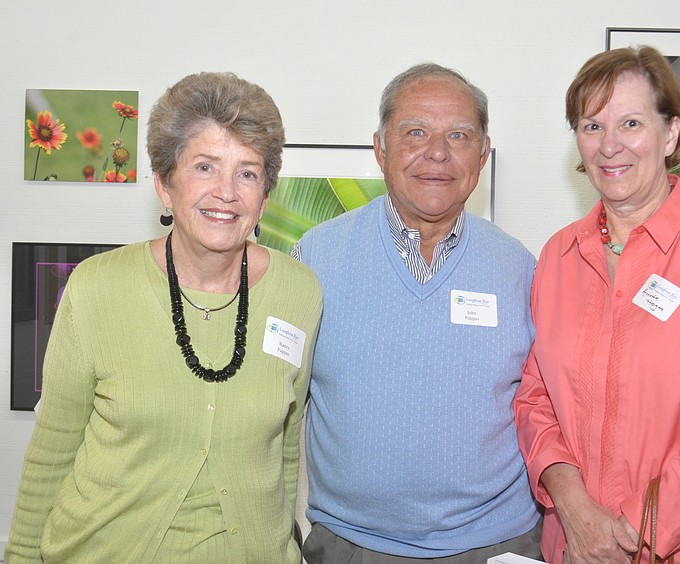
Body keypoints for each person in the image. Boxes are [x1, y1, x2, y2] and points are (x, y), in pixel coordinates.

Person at [5, 72, 322, 563]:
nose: (226, 192)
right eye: (205, 167)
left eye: (247, 173)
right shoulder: (95, 287)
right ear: (164, 185)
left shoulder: (299, 293)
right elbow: (52, 451)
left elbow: (283, 448)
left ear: (264, 197)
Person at [513, 46, 680, 564]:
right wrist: (574, 508)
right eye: (592, 126)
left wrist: (629, 533)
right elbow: (535, 399)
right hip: (579, 544)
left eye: (631, 123)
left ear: (671, 134)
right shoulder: (557, 256)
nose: (609, 145)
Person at [294, 63, 542, 562]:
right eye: (415, 132)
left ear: (483, 153)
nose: (438, 153)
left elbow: (546, 407)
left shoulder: (520, 268)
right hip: (352, 545)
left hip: (499, 543)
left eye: (459, 135)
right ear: (380, 148)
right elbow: (274, 405)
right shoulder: (314, 258)